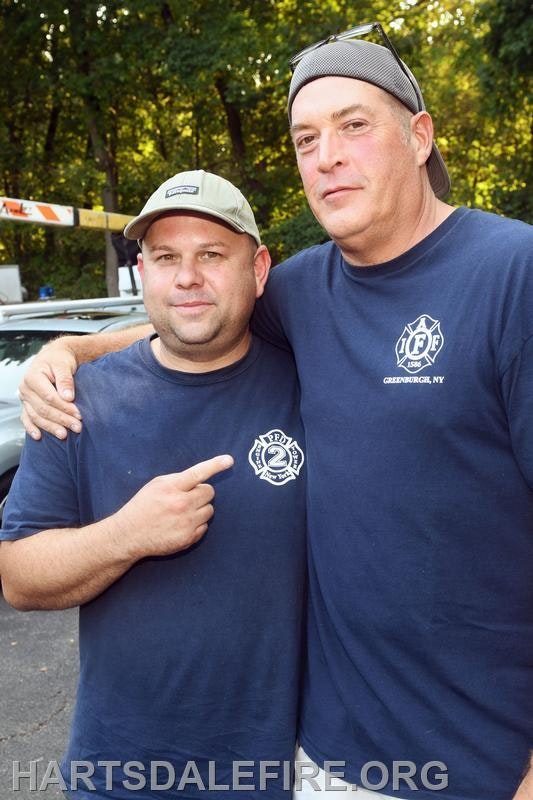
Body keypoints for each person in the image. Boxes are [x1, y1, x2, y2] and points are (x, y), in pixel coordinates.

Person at [14, 24, 533, 800]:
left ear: (418, 136)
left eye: (353, 126)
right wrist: (67, 354)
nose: (326, 155)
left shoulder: (510, 273)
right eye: (304, 138)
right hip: (325, 762)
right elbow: (194, 315)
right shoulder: (304, 291)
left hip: (487, 765)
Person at [0, 170, 307, 798]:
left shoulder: (315, 380)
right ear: (144, 270)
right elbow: (19, 578)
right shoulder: (73, 400)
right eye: (166, 257)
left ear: (259, 268)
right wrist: (126, 535)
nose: (187, 277)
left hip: (284, 769)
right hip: (120, 770)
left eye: (212, 255)